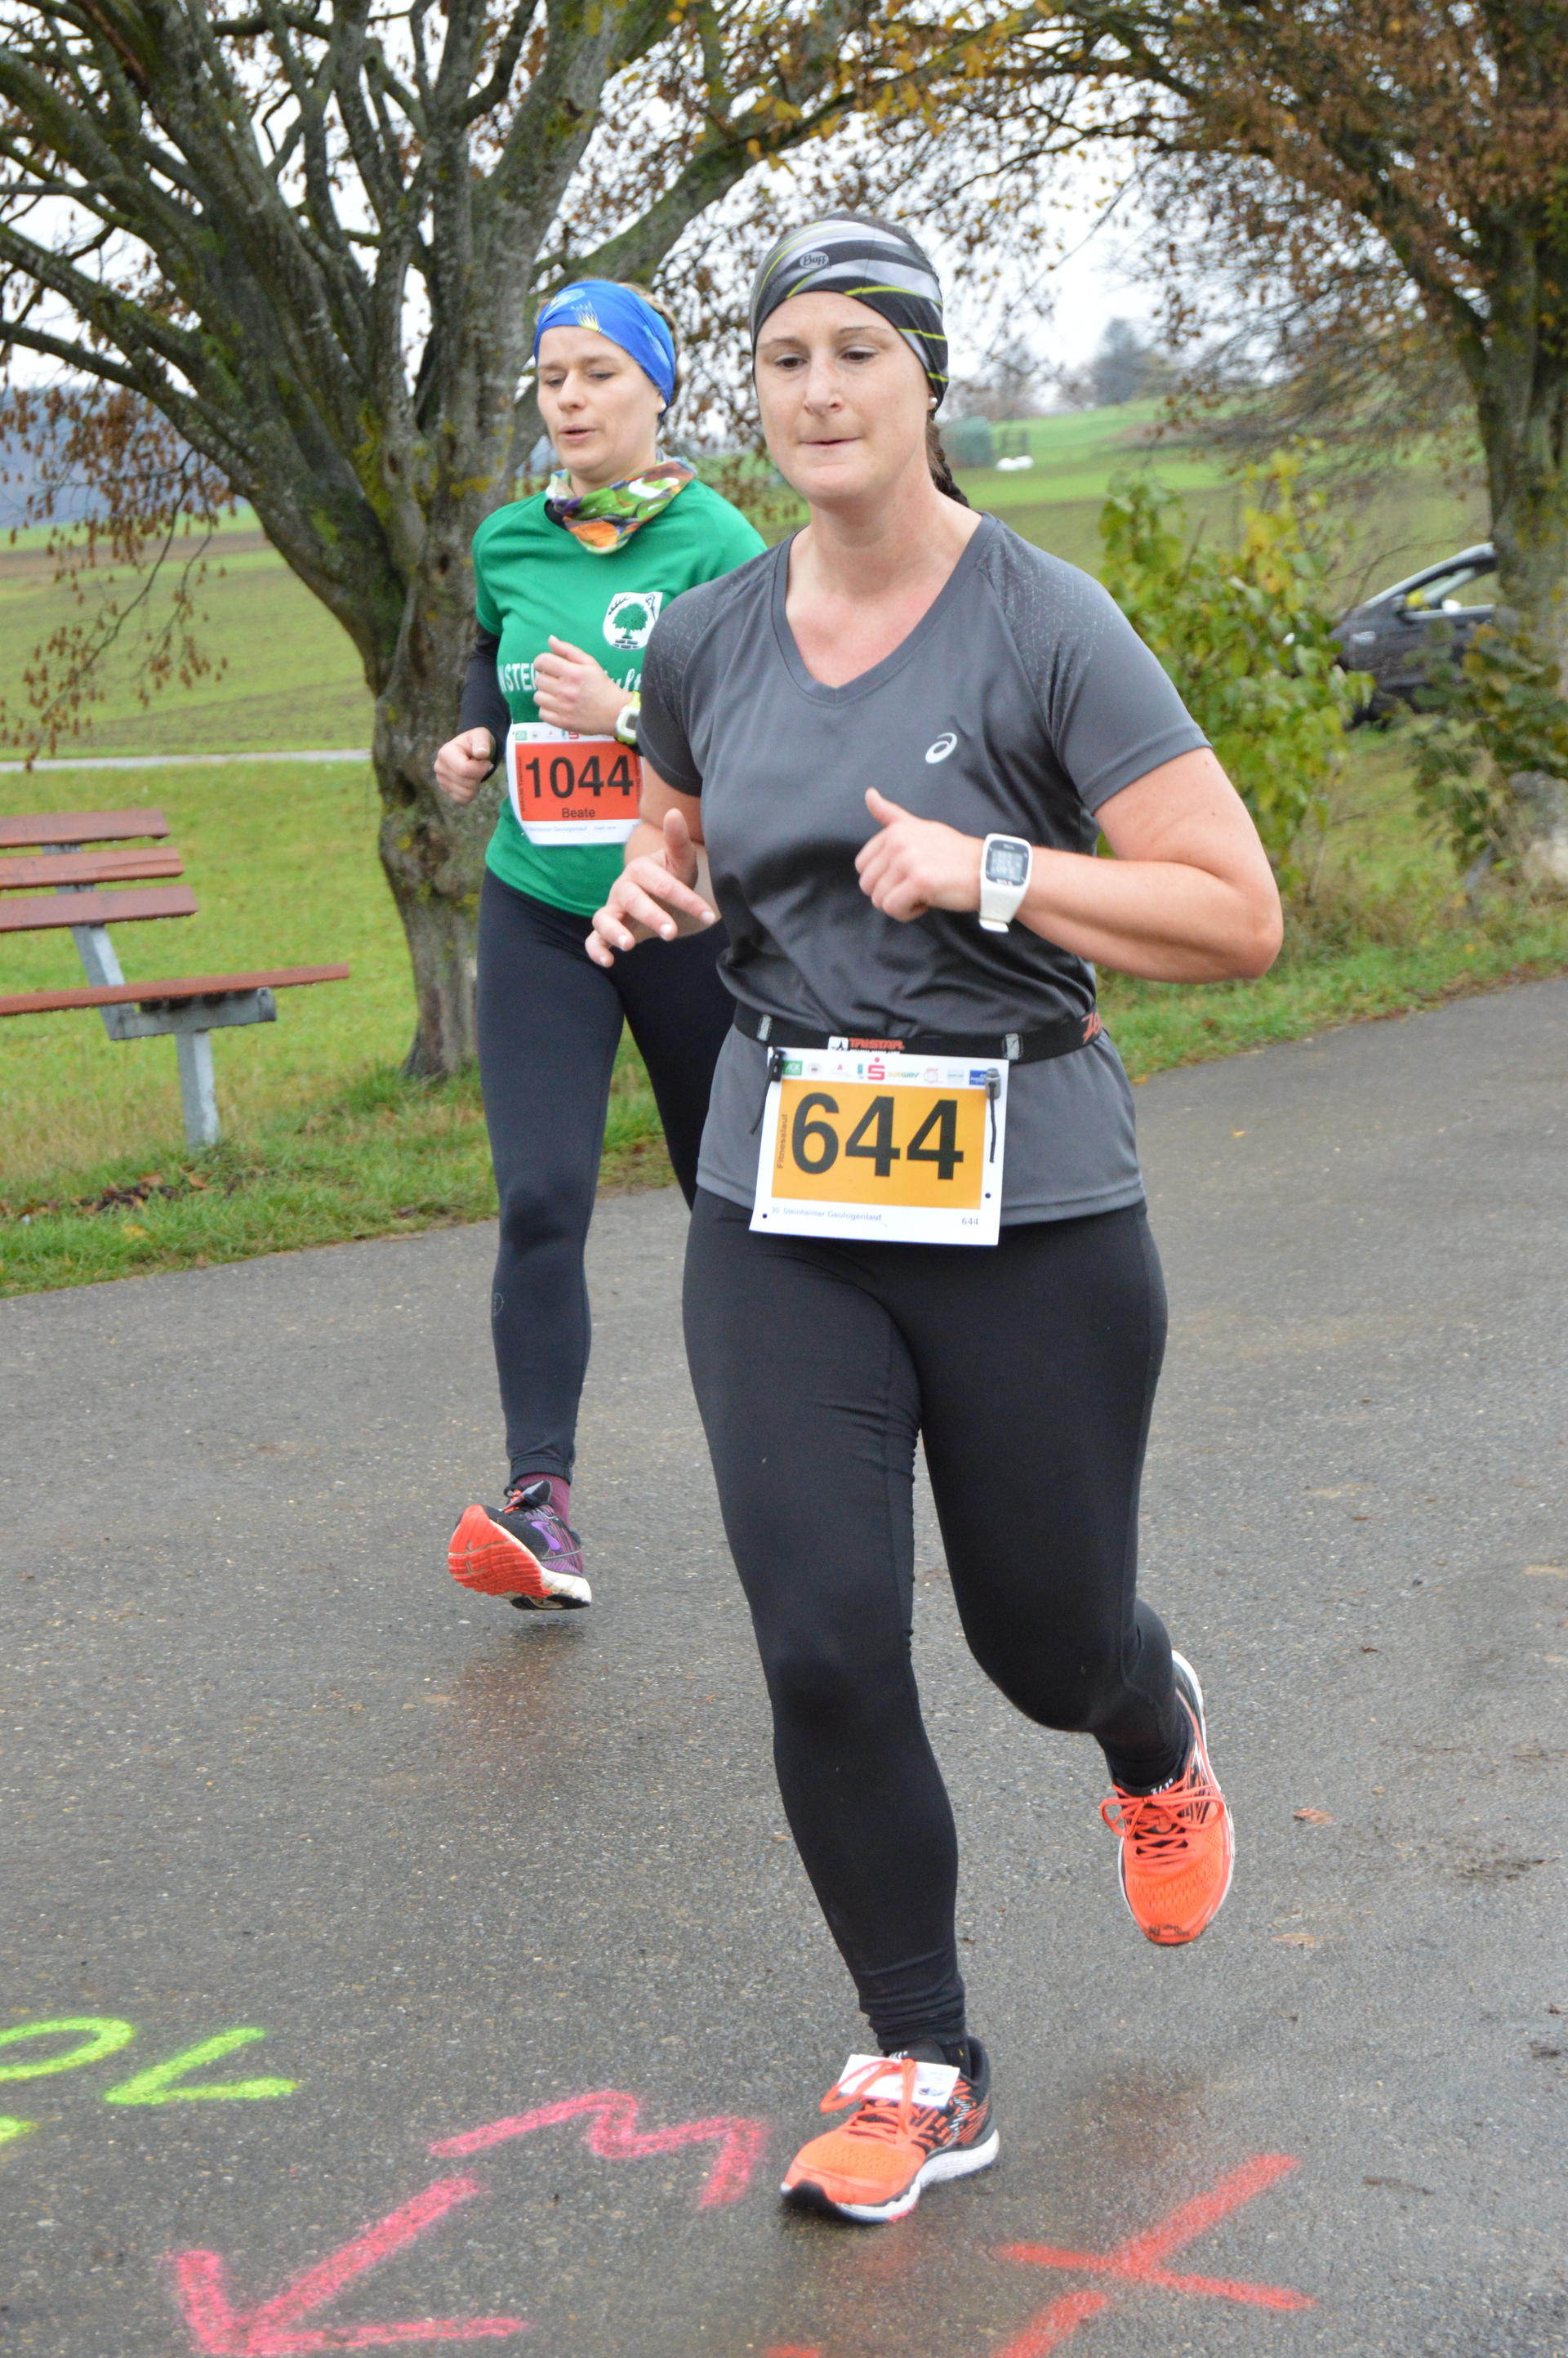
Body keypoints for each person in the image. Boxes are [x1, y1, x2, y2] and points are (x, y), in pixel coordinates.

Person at [586, 216, 1283, 2223]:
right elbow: (680, 815)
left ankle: (1146, 1719)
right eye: (784, 358)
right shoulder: (709, 632)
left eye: (857, 355)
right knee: (820, 1634)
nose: (817, 393)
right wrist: (653, 877)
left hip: (1029, 1194)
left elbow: (1235, 912)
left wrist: (996, 871)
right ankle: (921, 2056)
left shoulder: (1048, 625)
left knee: (1041, 1635)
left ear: (928, 382)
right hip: (782, 1188)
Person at [435, 279, 764, 1611]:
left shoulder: (719, 542)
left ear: (657, 391)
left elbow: (766, 730)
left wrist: (621, 714)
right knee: (539, 1198)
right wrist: (479, 732)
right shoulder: (509, 540)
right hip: (537, 909)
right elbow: (491, 658)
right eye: (551, 376)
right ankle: (542, 1507)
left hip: (677, 911)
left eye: (597, 374)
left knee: (728, 1202)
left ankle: (797, 1469)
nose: (568, 399)